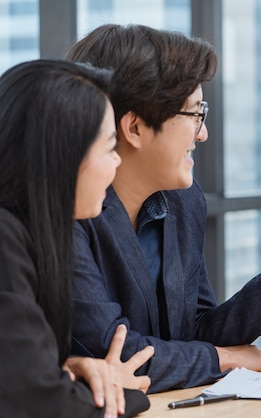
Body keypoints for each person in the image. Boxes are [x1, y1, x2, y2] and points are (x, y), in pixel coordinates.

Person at [66, 23, 261, 394]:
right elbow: (117, 359)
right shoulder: (66, 211)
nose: (202, 134)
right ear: (135, 127)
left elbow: (197, 331)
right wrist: (225, 359)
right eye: (194, 114)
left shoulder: (183, 201)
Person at [0, 59, 154, 418]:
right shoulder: (5, 239)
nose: (117, 162)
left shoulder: (28, 234)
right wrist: (119, 391)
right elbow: (42, 404)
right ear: (62, 156)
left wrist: (67, 369)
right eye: (108, 148)